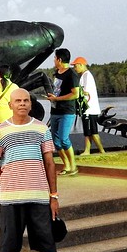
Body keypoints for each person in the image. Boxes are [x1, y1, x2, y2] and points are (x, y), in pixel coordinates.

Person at [0, 88, 68, 252]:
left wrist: (54, 196)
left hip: (39, 196)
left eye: (25, 100)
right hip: (10, 197)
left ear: (31, 104)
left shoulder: (41, 128)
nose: (22, 104)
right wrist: (6, 180)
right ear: (10, 105)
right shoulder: (0, 132)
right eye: (18, 101)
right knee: (11, 240)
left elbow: (50, 163)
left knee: (47, 239)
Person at [47, 48, 80, 176]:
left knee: (64, 138)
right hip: (55, 110)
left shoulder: (71, 74)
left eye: (55, 58)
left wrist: (57, 98)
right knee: (55, 140)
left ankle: (73, 166)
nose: (54, 60)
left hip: (67, 111)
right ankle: (66, 164)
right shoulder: (57, 73)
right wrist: (53, 96)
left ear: (60, 59)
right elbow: (58, 89)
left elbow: (75, 94)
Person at [72, 56, 105, 156]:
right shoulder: (85, 75)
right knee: (87, 132)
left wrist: (74, 94)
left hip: (89, 109)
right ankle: (87, 150)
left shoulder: (86, 76)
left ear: (81, 65)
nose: (74, 68)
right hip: (87, 109)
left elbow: (84, 92)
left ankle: (102, 151)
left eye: (75, 65)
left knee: (93, 132)